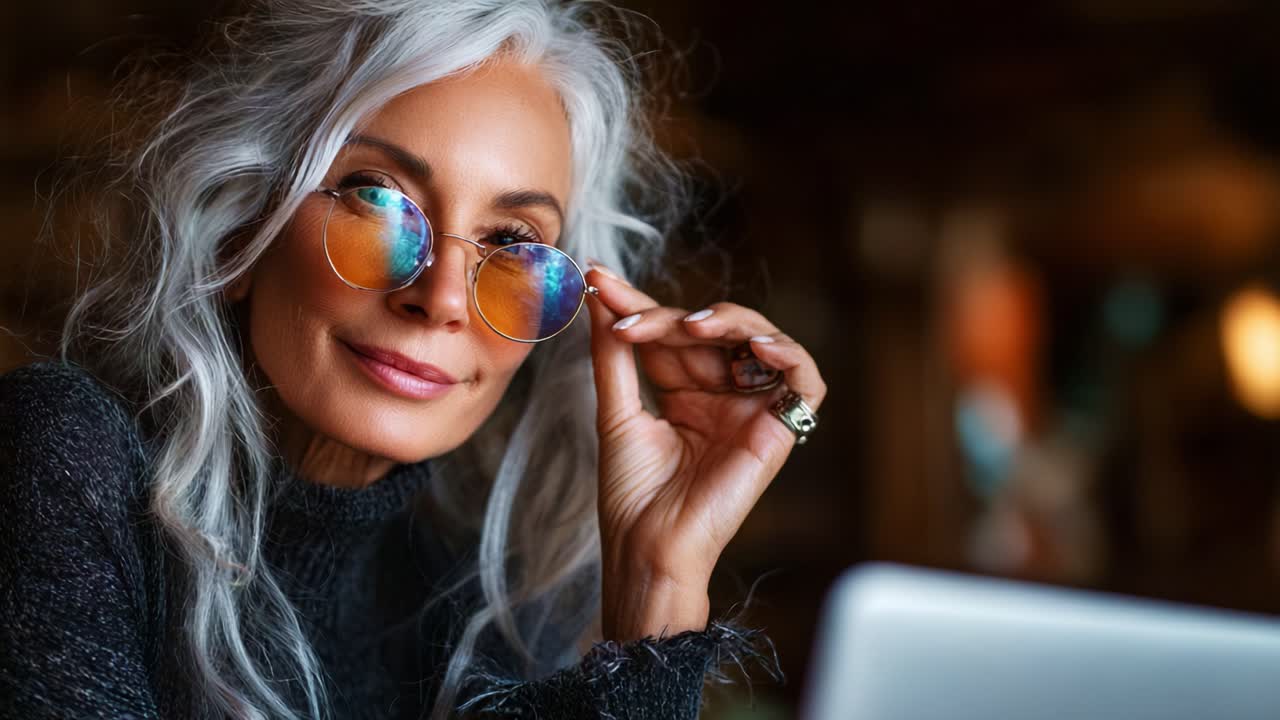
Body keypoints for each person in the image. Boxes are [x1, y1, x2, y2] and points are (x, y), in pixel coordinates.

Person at [0, 1, 826, 718]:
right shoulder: (63, 459)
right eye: (378, 200)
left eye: (512, 243)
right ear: (244, 229)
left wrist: (658, 588)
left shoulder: (474, 599)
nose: (442, 298)